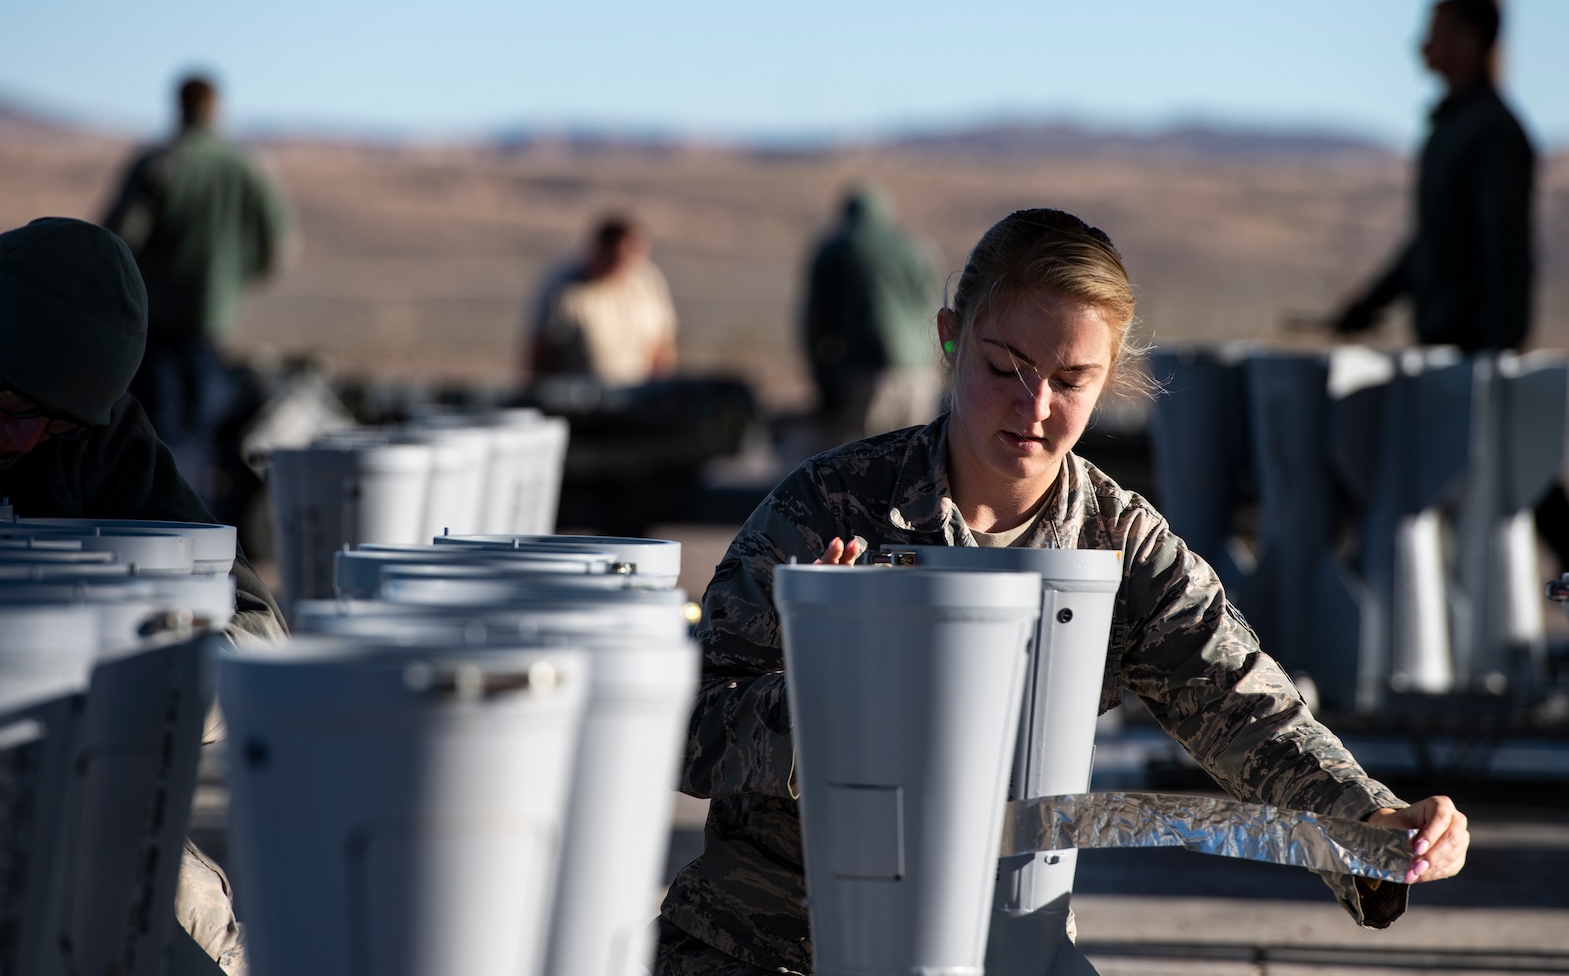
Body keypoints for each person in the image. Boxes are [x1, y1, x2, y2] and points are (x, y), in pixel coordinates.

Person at [655, 209, 1470, 975]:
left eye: (1071, 380)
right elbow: (687, 728)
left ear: (1109, 376)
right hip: (773, 943)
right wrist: (828, 689)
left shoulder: (1118, 548)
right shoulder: (828, 508)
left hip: (998, 942)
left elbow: (1244, 709)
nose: (1033, 406)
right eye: (1003, 367)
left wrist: (1369, 824)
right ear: (948, 339)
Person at [0, 217, 285, 975]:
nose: (25, 439)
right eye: (15, 402)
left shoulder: (94, 443)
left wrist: (123, 664)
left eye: (60, 421)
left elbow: (252, 629)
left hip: (33, 783)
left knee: (182, 916)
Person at [103, 74, 292, 515]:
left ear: (179, 105)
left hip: (156, 319)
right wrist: (232, 280)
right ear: (216, 107)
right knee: (199, 428)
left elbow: (118, 240)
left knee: (169, 433)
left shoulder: (162, 164)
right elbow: (278, 245)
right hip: (213, 320)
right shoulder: (246, 165)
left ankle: (179, 530)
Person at [1333, 0, 1534, 349]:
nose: (1423, 45)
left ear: (1468, 41)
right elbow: (1435, 240)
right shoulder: (1452, 128)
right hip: (1442, 337)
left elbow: (1505, 245)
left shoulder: (1490, 132)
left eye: (1436, 33)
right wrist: (1368, 304)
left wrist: (1498, 351)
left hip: (1474, 346)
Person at [803, 183, 943, 447]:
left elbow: (815, 324)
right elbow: (938, 314)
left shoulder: (837, 248)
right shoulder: (917, 247)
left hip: (864, 376)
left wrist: (823, 382)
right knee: (914, 467)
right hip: (921, 378)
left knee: (856, 471)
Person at [528, 214, 678, 386]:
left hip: (636, 396)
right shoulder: (567, 289)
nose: (627, 264)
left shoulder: (647, 283)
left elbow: (661, 345)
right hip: (580, 398)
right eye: (619, 257)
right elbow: (542, 350)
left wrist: (663, 391)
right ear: (601, 251)